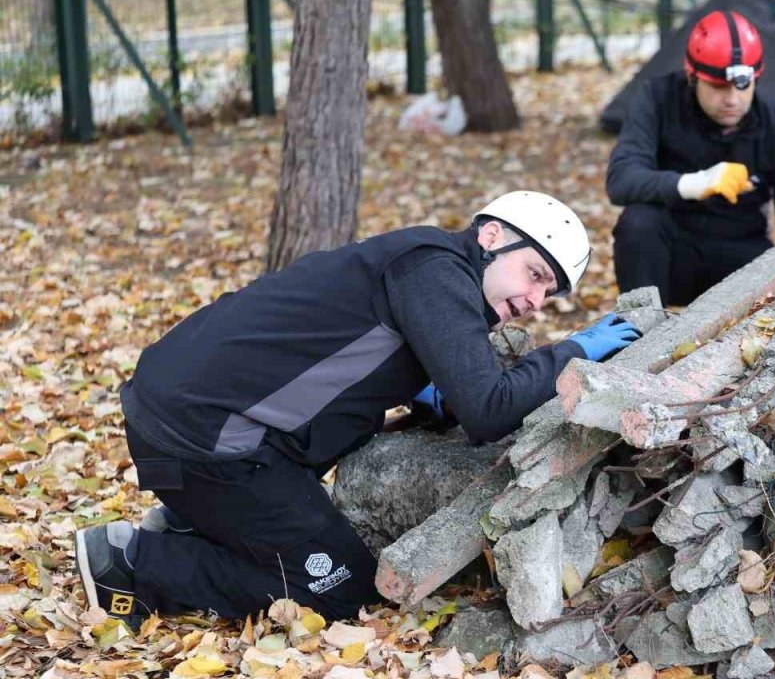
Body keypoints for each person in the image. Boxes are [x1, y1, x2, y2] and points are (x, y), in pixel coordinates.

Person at [74, 191, 641, 629]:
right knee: (340, 586)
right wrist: (572, 354)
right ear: (491, 236)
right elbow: (488, 410)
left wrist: (424, 390)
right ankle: (134, 566)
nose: (534, 302)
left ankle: (191, 522)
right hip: (204, 440)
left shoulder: (424, 264)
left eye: (550, 295)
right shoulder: (437, 272)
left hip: (191, 420)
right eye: (536, 275)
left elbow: (347, 350)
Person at [607, 10, 775, 306]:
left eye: (742, 85)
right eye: (718, 86)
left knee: (772, 267)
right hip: (670, 248)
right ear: (693, 77)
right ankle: (637, 330)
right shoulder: (657, 99)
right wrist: (696, 183)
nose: (731, 99)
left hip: (739, 252)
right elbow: (621, 180)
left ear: (756, 76)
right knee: (637, 222)